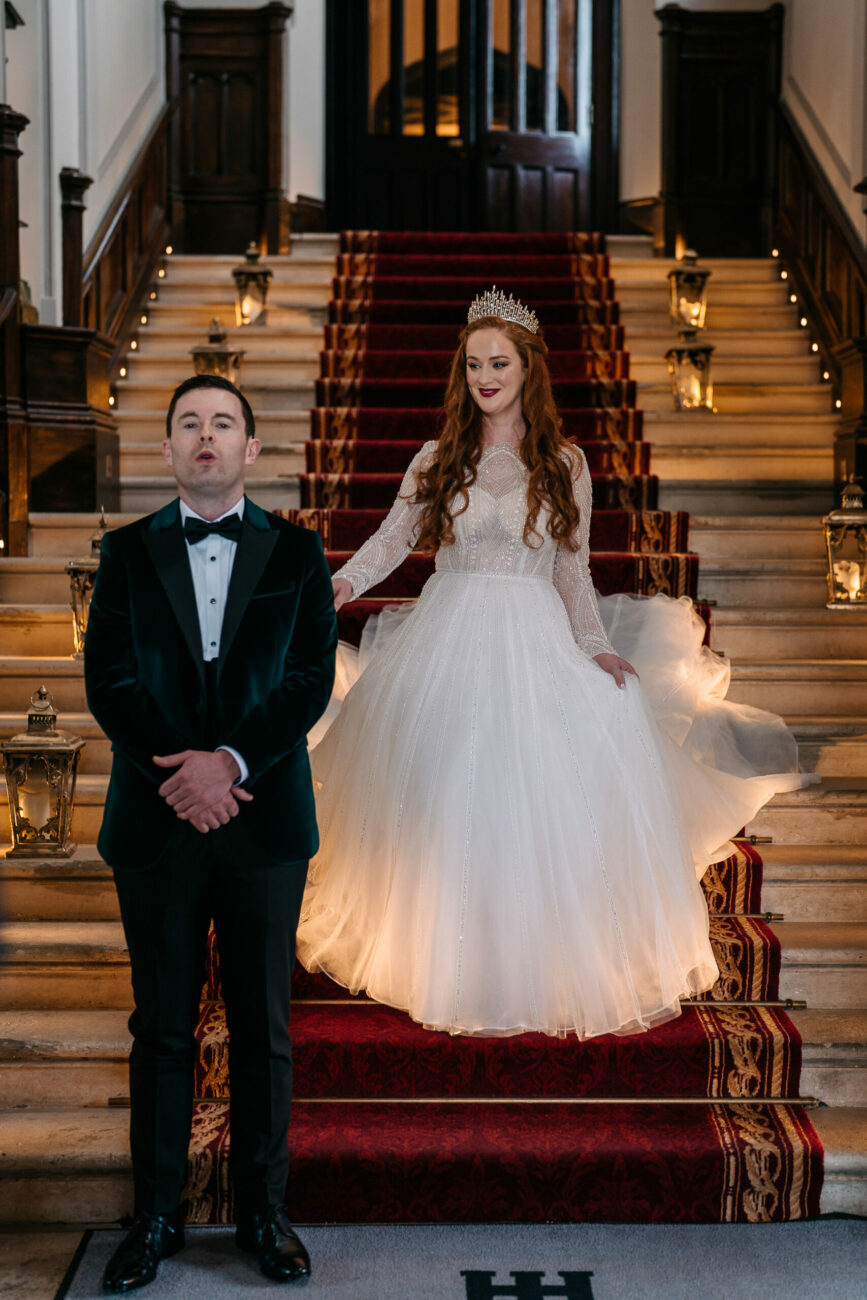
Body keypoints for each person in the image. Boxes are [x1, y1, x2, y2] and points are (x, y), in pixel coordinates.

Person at [296, 287, 809, 1040]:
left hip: (533, 631)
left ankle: (521, 953)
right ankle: (444, 953)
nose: (483, 376)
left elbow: (570, 570)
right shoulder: (438, 457)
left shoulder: (564, 463)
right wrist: (339, 585)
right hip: (450, 631)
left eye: (497, 363)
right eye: (472, 364)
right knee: (448, 785)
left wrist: (596, 646)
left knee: (527, 787)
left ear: (527, 369)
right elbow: (390, 539)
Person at [84, 374, 337, 1291]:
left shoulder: (300, 554)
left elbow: (308, 679)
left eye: (222, 423)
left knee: (265, 1029)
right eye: (188, 423)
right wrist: (182, 773)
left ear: (250, 449)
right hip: (155, 823)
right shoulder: (121, 554)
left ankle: (264, 1219)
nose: (205, 437)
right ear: (166, 450)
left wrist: (227, 764)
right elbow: (108, 680)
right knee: (160, 1028)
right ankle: (154, 1220)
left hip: (262, 818)